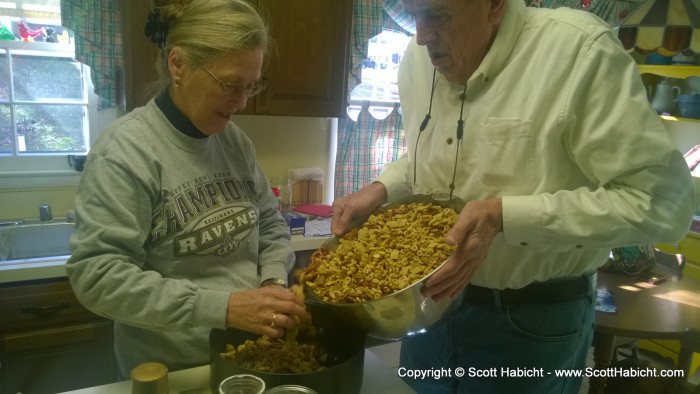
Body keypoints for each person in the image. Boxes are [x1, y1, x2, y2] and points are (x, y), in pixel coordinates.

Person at [331, 0, 695, 393]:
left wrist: (503, 216)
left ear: (493, 5)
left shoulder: (577, 50)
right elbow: (430, 155)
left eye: (437, 15)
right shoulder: (417, 60)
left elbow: (664, 205)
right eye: (414, 14)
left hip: (533, 321)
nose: (421, 36)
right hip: (432, 309)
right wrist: (381, 187)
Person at [66, 0, 306, 378]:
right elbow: (98, 275)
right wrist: (225, 308)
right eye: (230, 85)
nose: (242, 102)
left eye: (251, 85)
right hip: (170, 373)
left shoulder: (236, 143)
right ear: (178, 64)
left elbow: (270, 225)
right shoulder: (125, 152)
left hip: (248, 358)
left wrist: (273, 284)